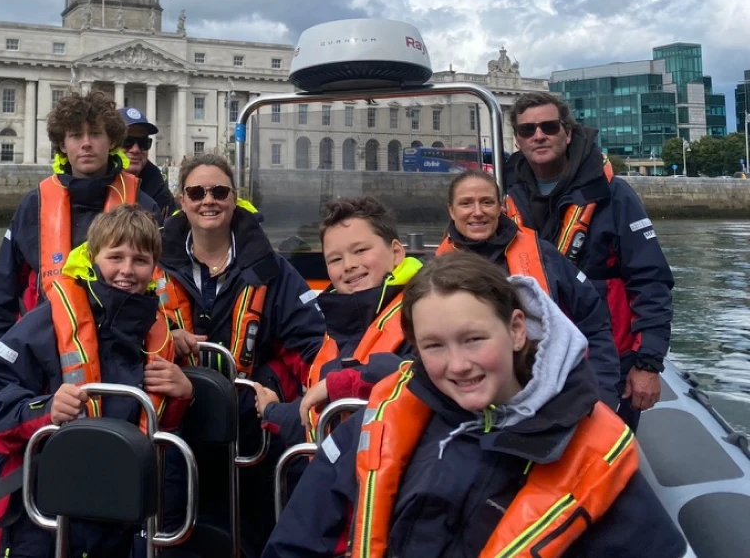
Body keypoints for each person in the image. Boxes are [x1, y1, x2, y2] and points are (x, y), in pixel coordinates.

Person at [262, 254, 686, 558]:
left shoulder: (592, 453)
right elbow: (297, 539)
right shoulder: (382, 418)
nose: (458, 365)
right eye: (434, 346)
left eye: (473, 339)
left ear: (517, 330)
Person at [0, 205, 192, 558]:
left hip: (118, 514)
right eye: (115, 257)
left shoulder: (157, 332)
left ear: (154, 268)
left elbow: (157, 429)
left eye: (140, 260)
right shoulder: (48, 321)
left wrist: (181, 395)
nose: (127, 270)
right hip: (40, 517)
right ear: (93, 258)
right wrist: (46, 408)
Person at [156, 152, 326, 553]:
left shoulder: (272, 269)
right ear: (183, 200)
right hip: (176, 431)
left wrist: (274, 388)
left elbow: (311, 341)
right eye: (197, 192)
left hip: (249, 434)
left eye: (219, 191)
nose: (208, 200)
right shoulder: (152, 264)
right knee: (174, 537)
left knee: (250, 537)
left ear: (235, 198)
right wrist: (164, 335)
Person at [504, 92, 674, 428]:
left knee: (605, 460)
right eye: (527, 130)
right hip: (530, 357)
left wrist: (648, 363)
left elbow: (651, 280)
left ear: (567, 133)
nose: (538, 135)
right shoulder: (503, 193)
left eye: (549, 126)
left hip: (607, 357)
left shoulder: (614, 195)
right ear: (518, 140)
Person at [0, 90, 161, 356]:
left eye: (96, 134)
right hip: (47, 351)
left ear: (111, 141)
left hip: (124, 352)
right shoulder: (34, 206)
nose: (86, 144)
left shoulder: (144, 205)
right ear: (62, 144)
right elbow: (0, 297)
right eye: (76, 135)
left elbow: (162, 287)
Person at [437, 169, 620, 407]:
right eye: (466, 203)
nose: (478, 212)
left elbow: (594, 320)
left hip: (548, 394)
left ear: (501, 206)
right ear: (451, 210)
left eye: (487, 202)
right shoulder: (435, 272)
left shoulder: (543, 254)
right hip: (467, 399)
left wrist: (602, 391)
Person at [254, 196, 420, 447]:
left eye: (361, 250)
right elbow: (314, 416)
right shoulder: (338, 326)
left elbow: (425, 377)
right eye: (335, 259)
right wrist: (273, 411)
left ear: (396, 252)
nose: (350, 265)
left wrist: (340, 384)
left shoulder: (425, 313)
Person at [119, 106, 177, 217]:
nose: (135, 150)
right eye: (127, 141)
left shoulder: (162, 194)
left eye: (143, 143)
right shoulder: (93, 187)